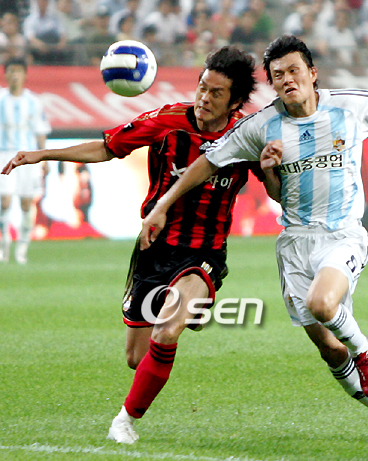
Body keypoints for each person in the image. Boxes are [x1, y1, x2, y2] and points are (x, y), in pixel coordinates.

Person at [138, 35, 368, 442]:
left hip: (342, 235)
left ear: (312, 73)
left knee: (322, 304)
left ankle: (365, 351)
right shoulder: (262, 126)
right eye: (278, 75)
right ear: (273, 84)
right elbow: (209, 162)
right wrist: (164, 204)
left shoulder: (351, 106)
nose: (287, 79)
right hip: (294, 244)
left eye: (294, 70)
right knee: (330, 349)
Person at [1, 45, 259, 443]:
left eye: (216, 93)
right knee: (136, 358)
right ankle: (182, 313)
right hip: (154, 248)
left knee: (167, 329)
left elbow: (274, 187)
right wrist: (42, 154)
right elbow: (107, 147)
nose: (204, 98)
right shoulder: (166, 121)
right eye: (202, 87)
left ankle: (124, 421)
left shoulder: (248, 134)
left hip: (203, 251)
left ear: (236, 100)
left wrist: (273, 166)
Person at [0, 57, 51, 264]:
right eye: (11, 71)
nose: (14, 75)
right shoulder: (1, 99)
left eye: (18, 71)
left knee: (26, 203)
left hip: (28, 157)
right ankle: (4, 244)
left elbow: (40, 131)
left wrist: (45, 158)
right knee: (5, 200)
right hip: (4, 154)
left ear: (25, 75)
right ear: (5, 74)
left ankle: (22, 248)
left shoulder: (33, 101)